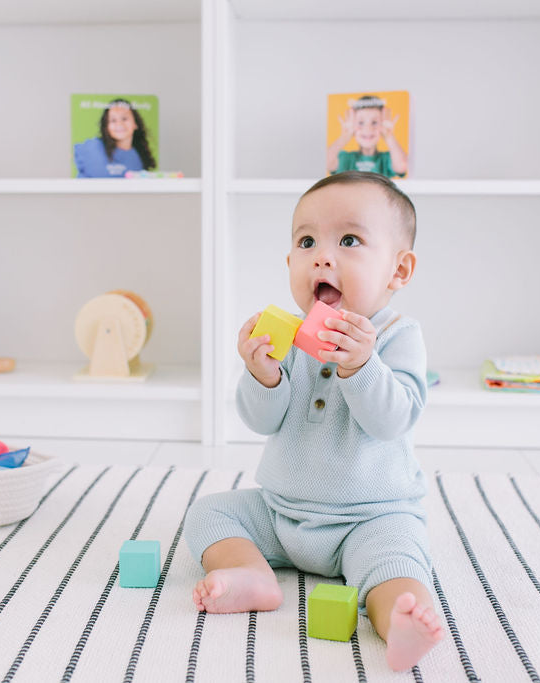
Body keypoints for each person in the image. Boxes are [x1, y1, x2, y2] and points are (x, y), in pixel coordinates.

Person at [184, 171, 442, 672]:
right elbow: (262, 421)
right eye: (307, 241)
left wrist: (360, 366)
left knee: (396, 562)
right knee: (208, 514)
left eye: (349, 240)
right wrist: (262, 375)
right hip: (282, 513)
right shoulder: (295, 336)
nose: (322, 256)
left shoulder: (397, 337)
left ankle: (401, 621)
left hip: (370, 518)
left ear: (399, 269)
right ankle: (249, 574)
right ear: (289, 263)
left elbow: (394, 420)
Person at [326, 95, 408, 178]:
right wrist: (345, 136)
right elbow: (326, 162)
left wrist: (389, 136)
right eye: (361, 122)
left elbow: (402, 166)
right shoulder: (346, 158)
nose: (368, 129)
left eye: (374, 122)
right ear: (352, 124)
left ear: (382, 124)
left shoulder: (386, 159)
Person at [73, 98, 157, 178]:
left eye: (124, 118)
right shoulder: (92, 148)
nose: (119, 124)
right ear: (107, 126)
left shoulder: (139, 156)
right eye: (113, 120)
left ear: (135, 124)